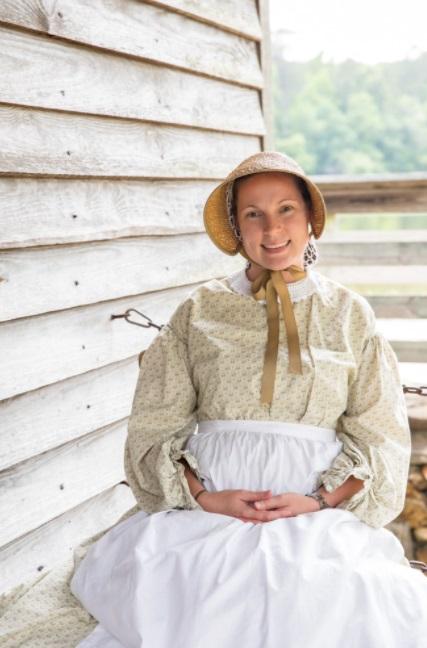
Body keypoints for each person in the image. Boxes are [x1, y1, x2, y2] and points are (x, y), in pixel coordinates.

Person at [70, 151, 427, 648]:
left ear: (309, 221)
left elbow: (379, 434)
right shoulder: (199, 309)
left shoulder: (349, 314)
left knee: (325, 597)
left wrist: (318, 501)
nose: (271, 227)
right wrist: (204, 497)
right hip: (210, 508)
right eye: (253, 214)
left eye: (286, 210)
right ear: (236, 227)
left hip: (314, 513)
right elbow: (156, 422)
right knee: (194, 597)